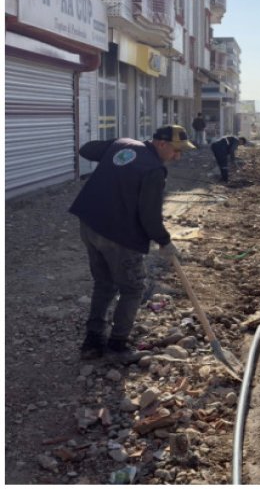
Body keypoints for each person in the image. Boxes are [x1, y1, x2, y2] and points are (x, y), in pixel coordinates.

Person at [69, 125, 195, 363]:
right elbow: (149, 217)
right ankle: (117, 346)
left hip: (90, 225)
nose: (178, 157)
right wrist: (164, 241)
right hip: (118, 236)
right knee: (132, 288)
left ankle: (92, 343)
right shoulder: (154, 170)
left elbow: (86, 149)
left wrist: (117, 145)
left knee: (104, 283)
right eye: (176, 150)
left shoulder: (124, 146)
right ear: (161, 143)